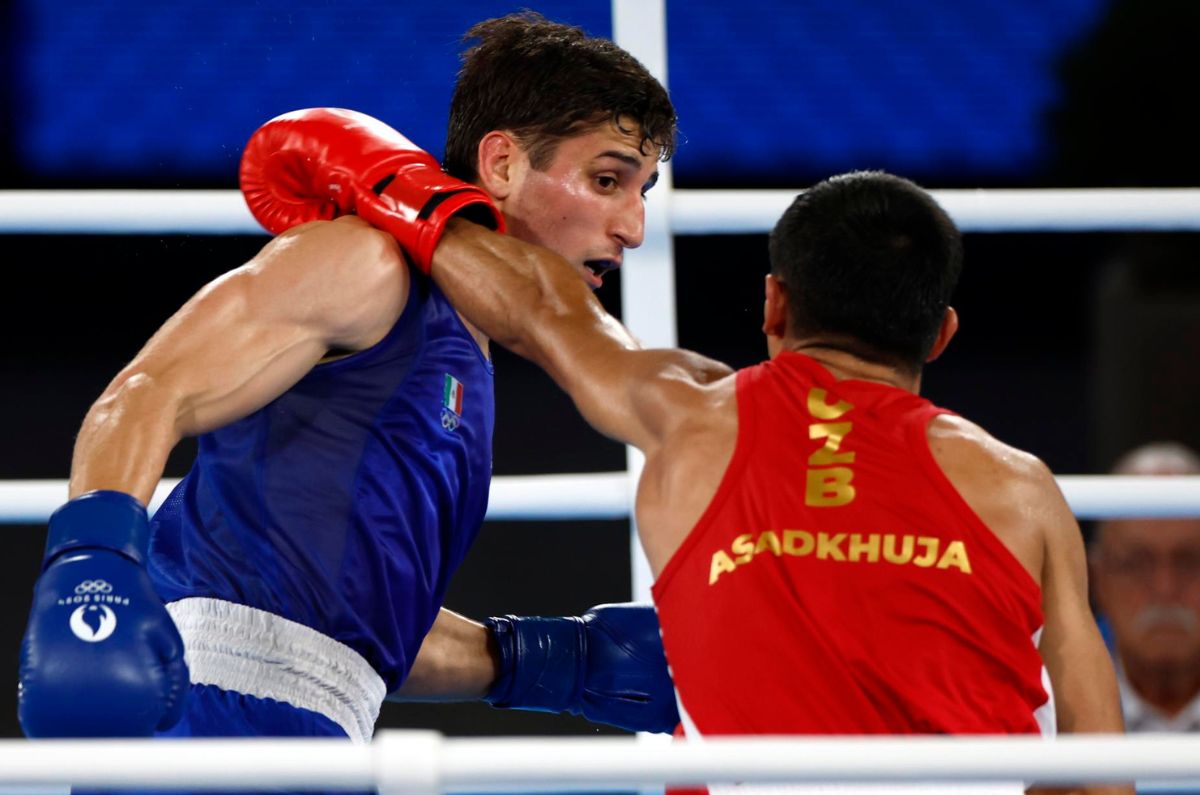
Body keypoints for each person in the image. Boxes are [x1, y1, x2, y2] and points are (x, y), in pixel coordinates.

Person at [253, 119, 1133, 792]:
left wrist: (402, 194)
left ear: (773, 305)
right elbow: (1098, 768)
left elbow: (539, 310)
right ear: (940, 334)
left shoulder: (693, 420)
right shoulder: (1025, 492)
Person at [18, 11, 682, 753]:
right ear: (501, 164)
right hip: (203, 714)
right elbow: (147, 392)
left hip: (322, 728)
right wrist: (93, 568)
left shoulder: (465, 357)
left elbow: (342, 639)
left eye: (643, 191)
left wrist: (554, 662)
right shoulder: (369, 266)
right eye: (607, 179)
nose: (633, 225)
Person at [1089, 442, 1200, 732]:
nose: (1165, 588)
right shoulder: (1048, 708)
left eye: (1190, 562)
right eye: (1136, 563)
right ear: (1098, 579)